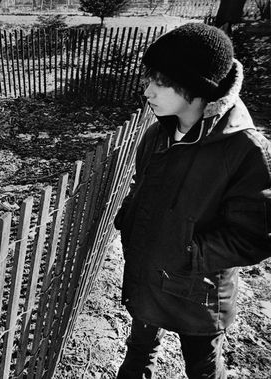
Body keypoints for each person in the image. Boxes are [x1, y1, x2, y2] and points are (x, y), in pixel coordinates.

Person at [113, 22, 271, 379]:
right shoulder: (158, 132)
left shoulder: (244, 150)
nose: (148, 91)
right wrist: (129, 214)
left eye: (161, 81)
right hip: (148, 274)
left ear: (197, 87)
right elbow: (143, 182)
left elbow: (256, 234)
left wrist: (189, 254)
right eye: (148, 78)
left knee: (201, 367)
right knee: (138, 353)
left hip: (198, 295)